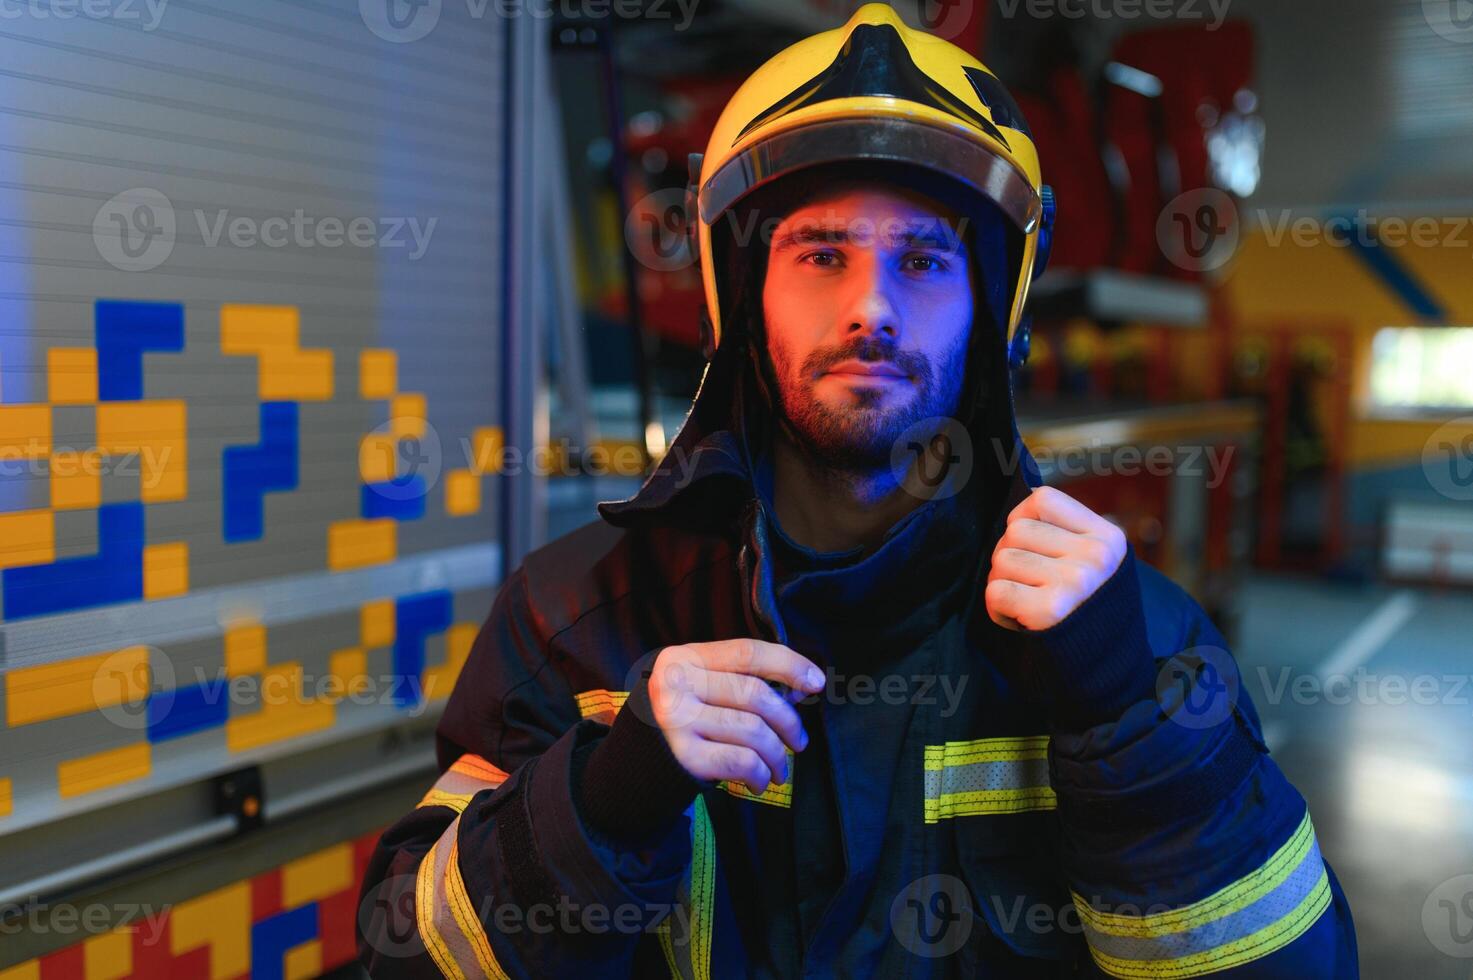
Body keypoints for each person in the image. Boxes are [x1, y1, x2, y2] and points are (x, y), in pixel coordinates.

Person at [356, 5, 1358, 976]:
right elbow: (410, 953)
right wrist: (604, 797)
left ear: (991, 305)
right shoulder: (572, 622)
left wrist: (1128, 717)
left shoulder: (1133, 637)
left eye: (923, 261)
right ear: (742, 296)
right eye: (822, 254)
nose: (872, 306)